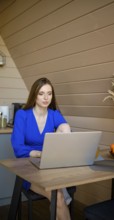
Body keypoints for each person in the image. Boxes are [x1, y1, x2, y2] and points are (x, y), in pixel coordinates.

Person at [11, 77, 71, 220]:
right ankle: (63, 192)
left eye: (49, 93)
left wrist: (64, 129)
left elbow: (66, 132)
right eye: (41, 93)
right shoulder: (22, 115)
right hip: (28, 168)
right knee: (59, 197)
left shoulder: (54, 114)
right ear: (34, 95)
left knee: (59, 199)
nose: (46, 98)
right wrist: (40, 153)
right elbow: (18, 148)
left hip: (49, 165)